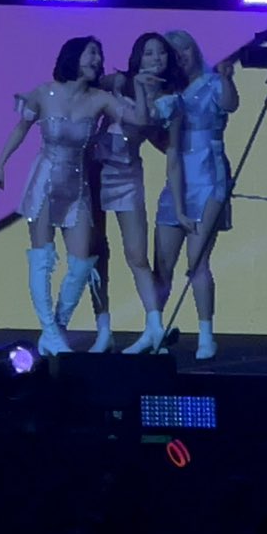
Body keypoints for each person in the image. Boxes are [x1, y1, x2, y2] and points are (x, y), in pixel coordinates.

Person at [0, 37, 148, 354]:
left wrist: (142, 89)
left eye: (99, 54)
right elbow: (21, 128)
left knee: (81, 262)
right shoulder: (44, 93)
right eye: (91, 53)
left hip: (76, 186)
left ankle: (57, 326)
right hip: (45, 181)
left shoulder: (100, 99)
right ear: (73, 56)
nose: (96, 59)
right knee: (42, 258)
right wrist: (0, 164)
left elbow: (139, 120)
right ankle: (49, 331)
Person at [88, 32, 183, 355]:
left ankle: (154, 326)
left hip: (127, 174)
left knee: (137, 255)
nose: (155, 58)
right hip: (94, 170)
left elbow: (151, 132)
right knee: (94, 252)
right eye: (149, 53)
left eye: (161, 53)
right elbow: (89, 89)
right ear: (138, 57)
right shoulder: (120, 81)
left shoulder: (169, 99)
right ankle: (103, 330)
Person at [153, 30, 239, 361]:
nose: (181, 57)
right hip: (178, 181)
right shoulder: (167, 92)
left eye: (185, 49)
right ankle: (156, 330)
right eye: (174, 53)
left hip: (208, 177)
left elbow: (230, 104)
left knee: (197, 259)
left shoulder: (212, 83)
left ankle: (206, 335)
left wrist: (227, 77)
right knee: (163, 262)